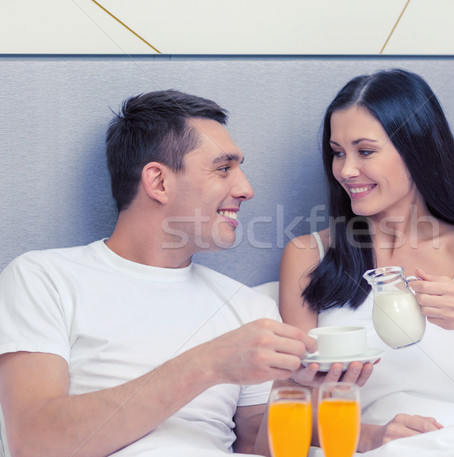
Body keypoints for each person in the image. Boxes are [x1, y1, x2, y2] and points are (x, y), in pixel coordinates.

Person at [0, 90, 362, 457]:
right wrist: (208, 364)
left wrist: (298, 388)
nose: (246, 189)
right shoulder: (44, 279)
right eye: (223, 169)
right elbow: (34, 442)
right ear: (158, 182)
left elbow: (257, 446)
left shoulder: (249, 309)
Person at [279, 68, 454, 448]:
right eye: (337, 153)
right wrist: (373, 437)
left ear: (416, 149)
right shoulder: (309, 256)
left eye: (366, 151)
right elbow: (290, 410)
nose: (346, 170)